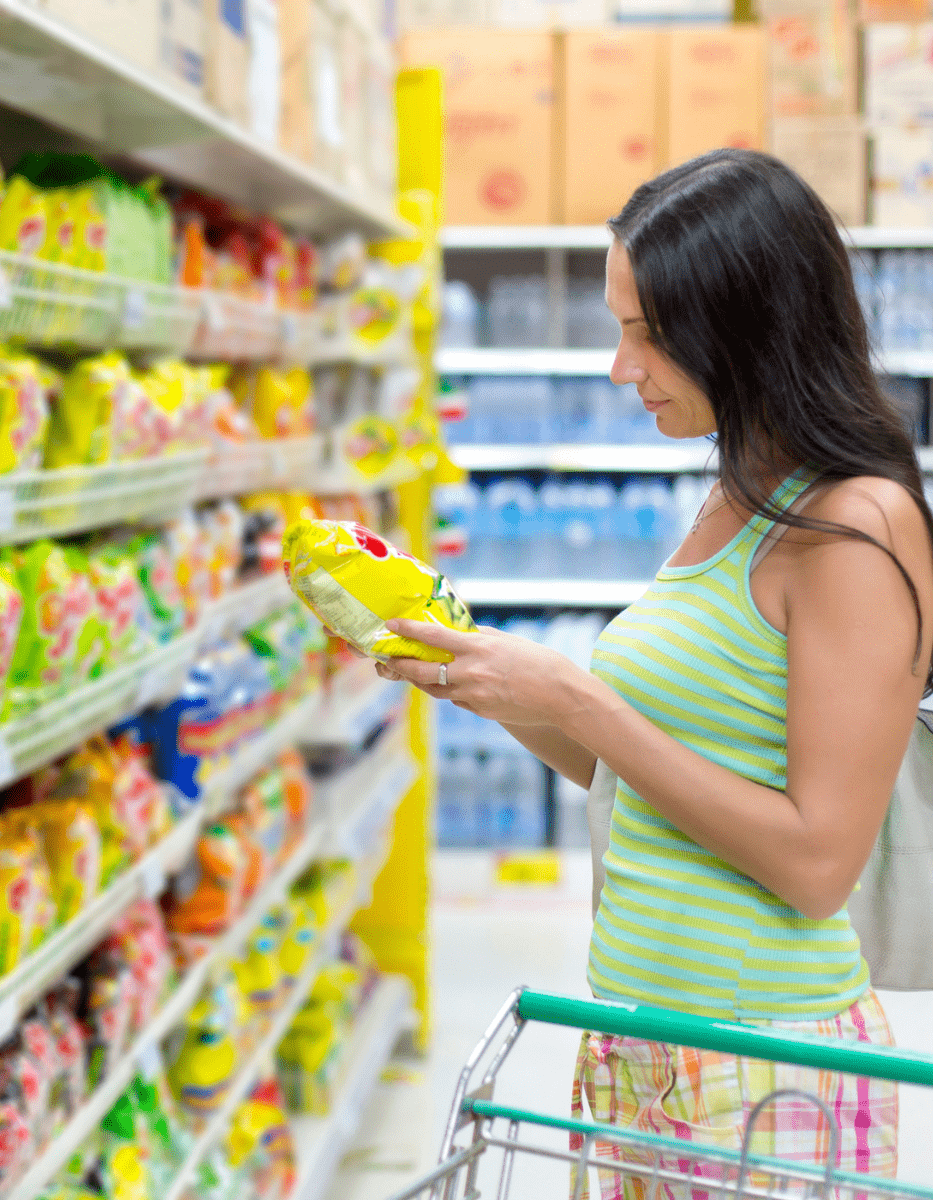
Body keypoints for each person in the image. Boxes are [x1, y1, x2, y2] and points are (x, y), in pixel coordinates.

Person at [379, 148, 933, 1193]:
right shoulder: (734, 495)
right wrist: (475, 676)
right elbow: (638, 780)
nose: (619, 368)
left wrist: (581, 697)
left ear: (747, 326)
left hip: (771, 1067)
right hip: (642, 1051)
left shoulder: (861, 526)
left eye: (649, 334)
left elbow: (820, 864)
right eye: (617, 326)